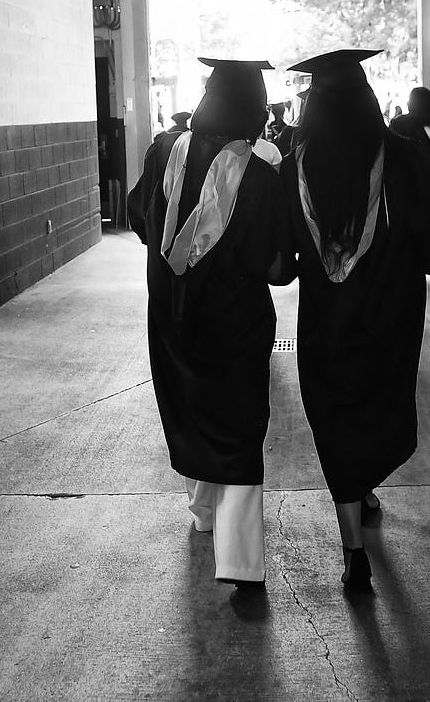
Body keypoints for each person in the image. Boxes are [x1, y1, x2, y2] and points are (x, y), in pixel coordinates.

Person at [282, 49, 430, 591]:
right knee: (374, 409)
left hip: (323, 323)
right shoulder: (399, 156)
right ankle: (364, 491)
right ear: (364, 100)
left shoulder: (298, 162)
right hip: (387, 319)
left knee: (335, 416)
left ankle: (353, 548)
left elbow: (282, 255)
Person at [127, 58, 293, 588]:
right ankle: (240, 561)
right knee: (239, 426)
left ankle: (202, 513)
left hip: (172, 314)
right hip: (235, 323)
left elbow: (136, 218)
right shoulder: (261, 176)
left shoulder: (162, 151)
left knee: (193, 405)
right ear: (254, 107)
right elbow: (277, 268)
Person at [390, 86, 430, 281]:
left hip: (410, 185)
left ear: (411, 103)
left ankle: (418, 264)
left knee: (413, 227)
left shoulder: (401, 123)